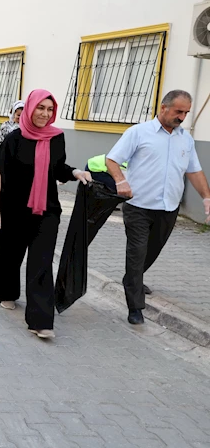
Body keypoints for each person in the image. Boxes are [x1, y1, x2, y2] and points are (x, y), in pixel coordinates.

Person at [0, 89, 92, 339]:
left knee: (41, 262)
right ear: (29, 108)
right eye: (40, 108)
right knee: (10, 255)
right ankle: (6, 292)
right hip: (14, 209)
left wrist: (75, 173)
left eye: (49, 110)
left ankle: (40, 320)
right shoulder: (13, 140)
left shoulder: (56, 138)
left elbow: (57, 168)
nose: (45, 114)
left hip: (47, 209)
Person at [106, 89, 210, 325]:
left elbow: (194, 170)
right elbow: (112, 159)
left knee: (152, 251)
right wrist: (121, 181)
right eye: (178, 111)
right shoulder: (138, 133)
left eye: (186, 113)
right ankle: (135, 306)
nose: (182, 117)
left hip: (168, 208)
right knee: (137, 252)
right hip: (138, 206)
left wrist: (206, 197)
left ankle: (133, 279)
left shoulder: (186, 139)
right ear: (163, 108)